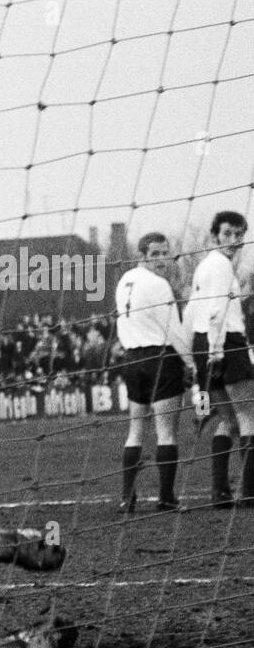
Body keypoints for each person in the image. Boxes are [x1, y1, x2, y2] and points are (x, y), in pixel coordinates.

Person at [114, 231, 192, 513]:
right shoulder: (159, 285)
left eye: (165, 252)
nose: (162, 259)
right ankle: (167, 498)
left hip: (132, 360)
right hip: (161, 358)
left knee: (135, 430)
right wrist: (192, 362)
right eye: (155, 254)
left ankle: (127, 497)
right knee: (166, 432)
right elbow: (175, 330)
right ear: (142, 256)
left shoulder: (124, 281)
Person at [188, 210, 253, 507]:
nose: (234, 240)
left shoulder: (203, 267)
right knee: (248, 415)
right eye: (227, 233)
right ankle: (250, 492)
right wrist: (217, 352)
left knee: (227, 419)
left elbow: (192, 313)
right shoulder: (221, 266)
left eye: (239, 234)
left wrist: (201, 360)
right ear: (215, 235)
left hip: (204, 343)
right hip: (225, 342)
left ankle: (220, 492)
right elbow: (217, 311)